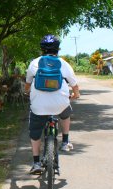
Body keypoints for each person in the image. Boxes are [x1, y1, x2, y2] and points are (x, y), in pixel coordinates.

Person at [25, 34, 80, 174]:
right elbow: (74, 85)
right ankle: (65, 141)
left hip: (39, 106)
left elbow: (27, 85)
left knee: (35, 132)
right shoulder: (63, 63)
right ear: (58, 49)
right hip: (60, 104)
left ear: (42, 49)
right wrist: (75, 95)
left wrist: (27, 93)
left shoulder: (34, 63)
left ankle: (36, 163)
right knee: (66, 112)